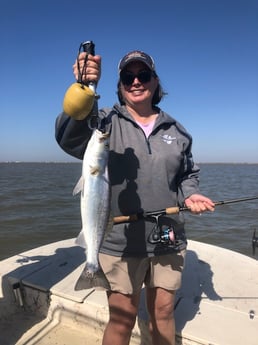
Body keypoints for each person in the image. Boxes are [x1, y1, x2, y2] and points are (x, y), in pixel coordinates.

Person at [55, 48, 215, 345]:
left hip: (168, 236)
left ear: (155, 82)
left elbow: (187, 174)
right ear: (120, 85)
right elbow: (68, 136)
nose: (136, 81)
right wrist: (82, 89)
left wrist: (191, 195)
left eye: (143, 75)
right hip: (117, 241)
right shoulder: (103, 123)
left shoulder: (177, 130)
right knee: (123, 317)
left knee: (164, 312)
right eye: (128, 77)